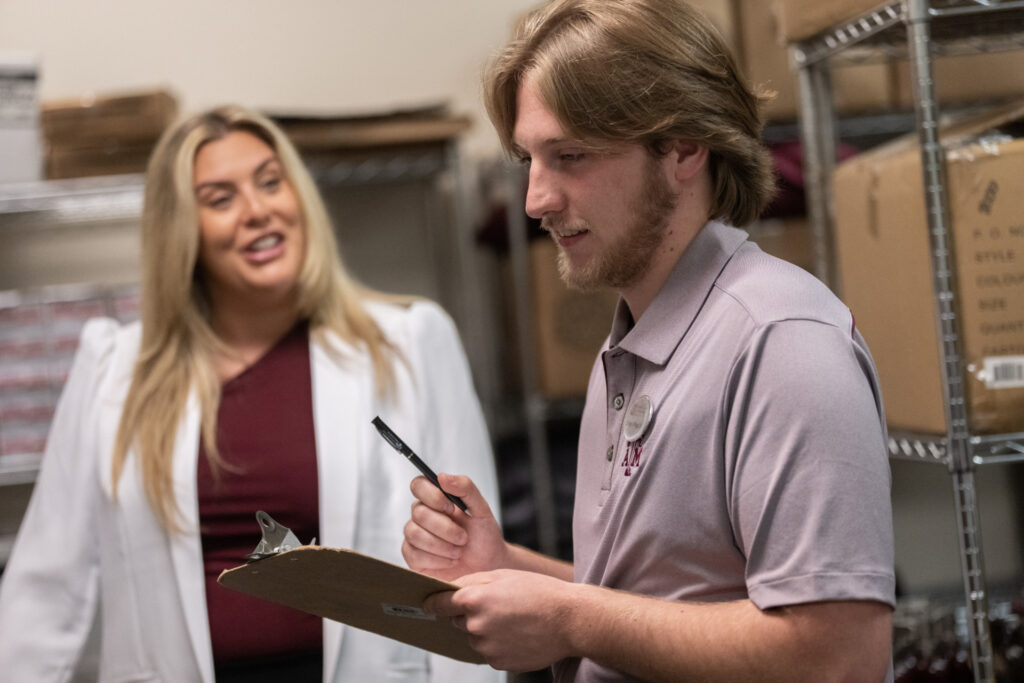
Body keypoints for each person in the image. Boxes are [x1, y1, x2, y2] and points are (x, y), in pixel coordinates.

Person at [400, 1, 896, 681]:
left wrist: (569, 619)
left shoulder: (783, 345)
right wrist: (507, 568)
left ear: (683, 148)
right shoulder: (635, 342)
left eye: (570, 156)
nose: (535, 200)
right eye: (530, 160)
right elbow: (664, 598)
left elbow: (840, 655)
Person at [0, 105, 503, 683]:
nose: (258, 210)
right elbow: (47, 587)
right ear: (182, 232)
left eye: (270, 182)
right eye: (220, 199)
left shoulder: (409, 343)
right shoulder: (114, 369)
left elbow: (473, 574)